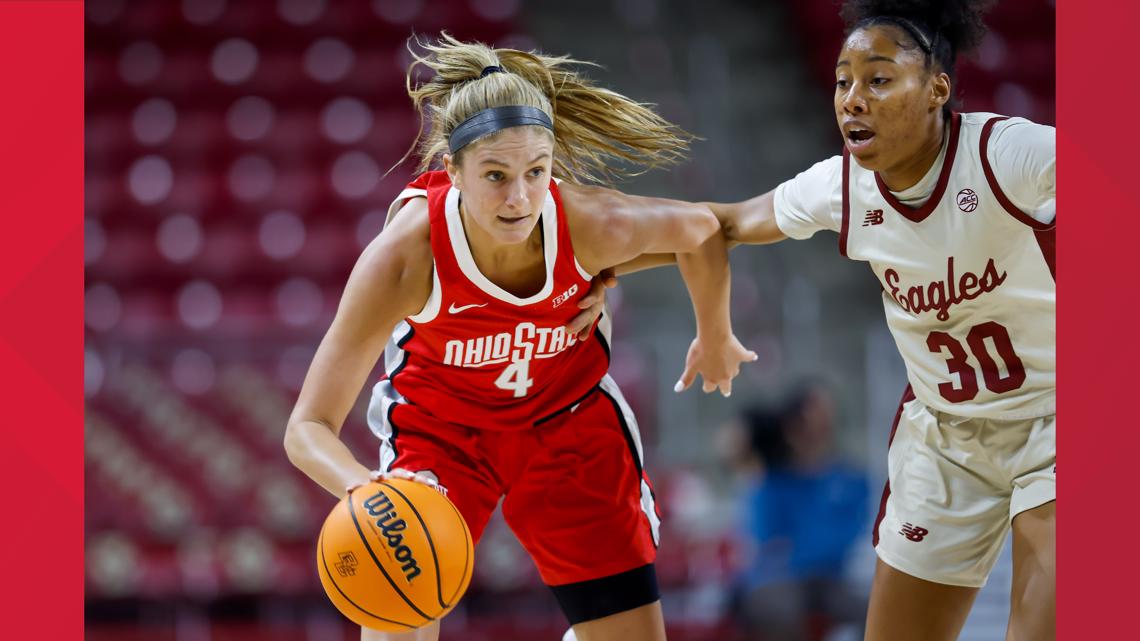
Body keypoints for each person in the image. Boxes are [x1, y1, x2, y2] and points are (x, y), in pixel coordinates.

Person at [283, 33, 756, 641]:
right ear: (451, 170)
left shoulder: (589, 222)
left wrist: (714, 333)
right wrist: (365, 490)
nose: (520, 197)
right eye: (496, 175)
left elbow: (704, 230)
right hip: (443, 432)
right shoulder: (403, 258)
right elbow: (307, 428)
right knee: (396, 616)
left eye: (536, 172)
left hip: (566, 417)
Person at [621, 0, 1054, 638]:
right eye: (842, 80)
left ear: (937, 88)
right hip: (947, 439)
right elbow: (720, 223)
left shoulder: (1005, 154)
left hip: (1059, 419)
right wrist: (607, 264)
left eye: (878, 79)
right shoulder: (842, 187)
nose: (853, 98)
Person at [724, 384, 869, 641]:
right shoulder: (772, 480)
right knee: (778, 607)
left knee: (874, 609)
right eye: (806, 423)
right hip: (777, 579)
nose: (815, 431)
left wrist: (805, 550)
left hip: (827, 579)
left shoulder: (849, 480)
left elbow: (849, 535)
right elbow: (764, 539)